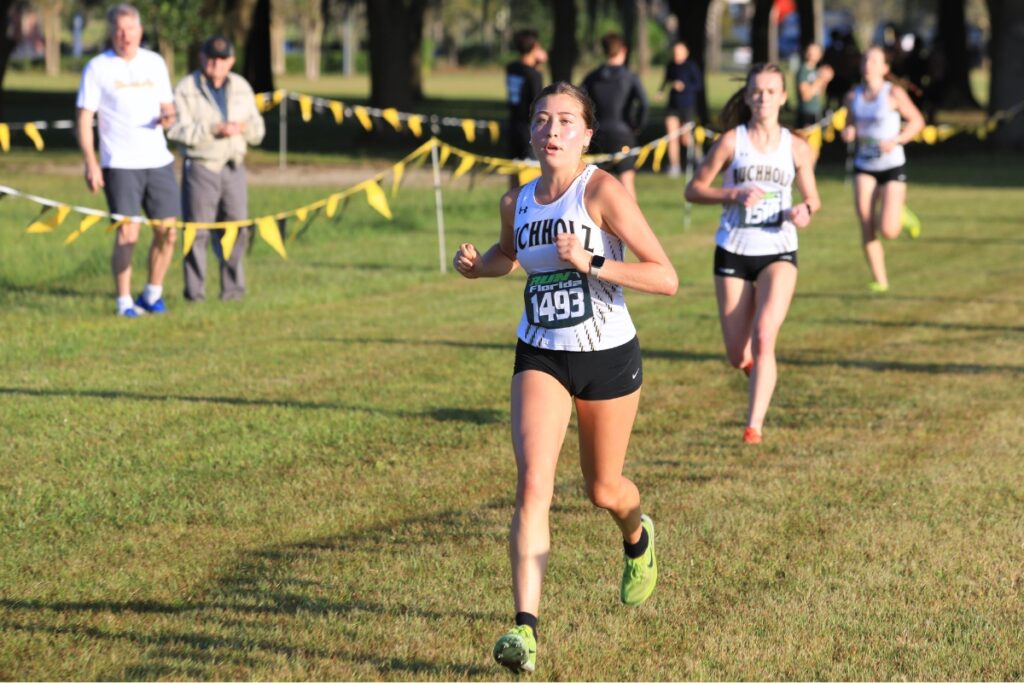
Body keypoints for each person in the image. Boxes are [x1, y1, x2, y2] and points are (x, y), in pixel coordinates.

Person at [453, 81, 677, 674]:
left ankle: (637, 536)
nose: (552, 130)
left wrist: (591, 261)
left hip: (608, 356)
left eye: (565, 121)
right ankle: (524, 630)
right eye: (542, 120)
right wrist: (478, 267)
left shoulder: (601, 191)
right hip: (541, 354)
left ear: (587, 134)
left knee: (603, 489)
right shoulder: (517, 201)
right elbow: (510, 256)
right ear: (530, 131)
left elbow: (665, 276)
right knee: (533, 485)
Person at [684, 63, 821, 445]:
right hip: (734, 248)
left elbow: (812, 199)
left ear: (783, 97)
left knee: (764, 336)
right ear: (747, 97)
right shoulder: (732, 142)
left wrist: (804, 211)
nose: (763, 98)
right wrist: (733, 193)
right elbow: (693, 189)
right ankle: (755, 369)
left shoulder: (797, 147)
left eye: (771, 91)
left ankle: (753, 426)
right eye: (757, 91)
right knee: (736, 353)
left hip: (779, 249)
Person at [76, 3, 178, 317]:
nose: (125, 35)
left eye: (130, 29)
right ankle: (124, 302)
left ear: (140, 31)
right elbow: (84, 119)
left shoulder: (154, 62)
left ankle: (152, 294)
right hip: (120, 163)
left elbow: (168, 108)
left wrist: (168, 117)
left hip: (158, 160)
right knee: (128, 233)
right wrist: (91, 162)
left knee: (168, 232)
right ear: (112, 33)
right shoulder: (97, 67)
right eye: (119, 30)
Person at [167, 35, 266, 302]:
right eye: (211, 57)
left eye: (223, 59)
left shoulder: (242, 87)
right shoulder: (186, 88)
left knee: (236, 230)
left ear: (232, 60)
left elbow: (258, 130)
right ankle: (194, 294)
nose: (217, 63)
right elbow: (175, 130)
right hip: (202, 168)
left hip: (234, 167)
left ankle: (233, 291)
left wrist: (242, 128)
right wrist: (213, 129)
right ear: (202, 58)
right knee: (197, 233)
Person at [841, 45, 925, 293]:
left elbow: (917, 121)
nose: (869, 65)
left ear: (885, 68)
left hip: (891, 165)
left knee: (888, 230)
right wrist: (849, 131)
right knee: (865, 221)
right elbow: (849, 123)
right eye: (866, 60)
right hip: (864, 165)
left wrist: (896, 140)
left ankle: (901, 214)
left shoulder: (894, 93)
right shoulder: (853, 96)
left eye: (875, 61)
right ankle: (880, 280)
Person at [580, 32, 648, 199]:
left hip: (598, 134)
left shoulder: (592, 77)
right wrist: (637, 126)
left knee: (595, 183)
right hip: (622, 133)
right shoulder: (630, 77)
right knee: (626, 181)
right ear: (623, 50)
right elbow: (644, 103)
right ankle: (631, 216)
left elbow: (579, 100)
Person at [505, 28, 547, 189]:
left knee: (513, 172)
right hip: (528, 129)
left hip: (512, 125)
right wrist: (539, 67)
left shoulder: (511, 68)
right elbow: (538, 103)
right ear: (534, 47)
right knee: (531, 173)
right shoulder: (534, 75)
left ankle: (512, 203)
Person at [659, 39, 703, 177]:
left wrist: (685, 87)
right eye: (675, 52)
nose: (676, 55)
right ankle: (675, 166)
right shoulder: (671, 65)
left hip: (687, 106)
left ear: (686, 53)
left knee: (686, 138)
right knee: (672, 137)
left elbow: (698, 85)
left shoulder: (691, 66)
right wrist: (661, 91)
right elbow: (666, 80)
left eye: (679, 52)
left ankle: (699, 159)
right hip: (673, 106)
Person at [795, 42, 834, 128]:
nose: (812, 54)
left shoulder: (816, 70)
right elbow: (805, 96)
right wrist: (821, 78)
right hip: (806, 113)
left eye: (816, 52)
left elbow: (820, 93)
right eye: (810, 51)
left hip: (816, 112)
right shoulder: (803, 70)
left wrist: (826, 80)